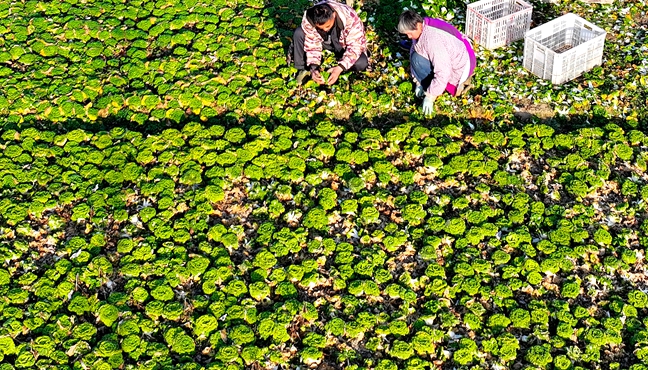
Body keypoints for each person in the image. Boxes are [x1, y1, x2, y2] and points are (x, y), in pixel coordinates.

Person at [397, 10, 477, 115]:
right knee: (415, 56)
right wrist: (418, 80)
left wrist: (430, 97)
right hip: (458, 53)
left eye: (410, 33)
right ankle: (430, 85)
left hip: (460, 66)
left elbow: (443, 72)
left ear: (419, 25)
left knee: (417, 60)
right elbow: (414, 49)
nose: (408, 37)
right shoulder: (423, 26)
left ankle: (437, 89)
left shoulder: (433, 40)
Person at [289, 1, 368, 85]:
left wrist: (340, 68)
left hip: (343, 44)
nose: (325, 30)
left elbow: (355, 46)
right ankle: (303, 68)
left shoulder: (350, 17)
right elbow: (312, 44)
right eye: (320, 28)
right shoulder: (310, 18)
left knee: (361, 62)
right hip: (323, 41)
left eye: (327, 26)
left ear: (334, 15)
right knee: (299, 33)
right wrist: (313, 67)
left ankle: (340, 70)